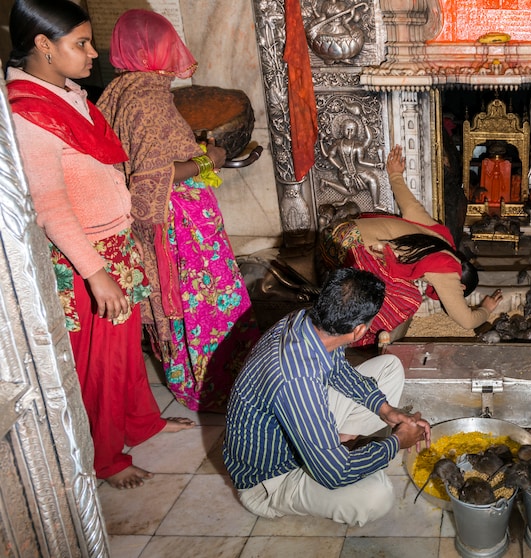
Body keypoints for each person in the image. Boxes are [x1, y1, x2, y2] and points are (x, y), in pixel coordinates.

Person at [5, 0, 194, 489]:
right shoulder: (28, 111)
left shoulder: (66, 92)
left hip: (113, 242)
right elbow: (50, 205)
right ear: (44, 45)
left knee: (126, 353)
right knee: (100, 366)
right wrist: (94, 271)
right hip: (84, 255)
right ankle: (106, 458)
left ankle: (140, 423)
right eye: (81, 44)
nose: (93, 54)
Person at [96, 9, 260, 413]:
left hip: (168, 228)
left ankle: (192, 383)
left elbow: (143, 160)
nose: (177, 53)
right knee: (207, 303)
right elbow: (150, 180)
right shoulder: (148, 96)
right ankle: (225, 388)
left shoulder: (117, 91)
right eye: (168, 45)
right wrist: (209, 161)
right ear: (152, 50)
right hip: (183, 231)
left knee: (186, 310)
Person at [223, 267, 430, 525]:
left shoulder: (306, 321)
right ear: (359, 331)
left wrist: (387, 411)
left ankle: (333, 445)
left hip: (291, 422)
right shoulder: (296, 379)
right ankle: (325, 456)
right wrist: (397, 441)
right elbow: (334, 474)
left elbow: (338, 371)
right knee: (377, 495)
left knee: (389, 367)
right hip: (269, 481)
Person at [318, 145, 502, 346]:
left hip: (337, 232)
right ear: (460, 285)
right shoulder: (449, 272)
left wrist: (395, 174)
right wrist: (486, 309)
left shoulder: (443, 237)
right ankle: (359, 335)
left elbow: (411, 206)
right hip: (346, 250)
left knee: (403, 282)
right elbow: (466, 321)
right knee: (409, 298)